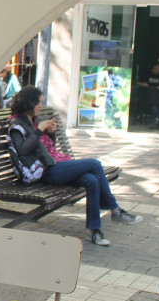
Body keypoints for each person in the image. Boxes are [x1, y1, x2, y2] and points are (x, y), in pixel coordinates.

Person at [8, 86, 141, 246]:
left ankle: (96, 231)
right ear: (29, 103)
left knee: (91, 180)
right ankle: (114, 209)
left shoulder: (33, 121)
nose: (41, 106)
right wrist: (39, 131)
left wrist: (50, 133)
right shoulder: (16, 124)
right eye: (39, 102)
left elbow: (46, 148)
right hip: (42, 172)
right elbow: (22, 150)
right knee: (94, 164)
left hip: (51, 166)